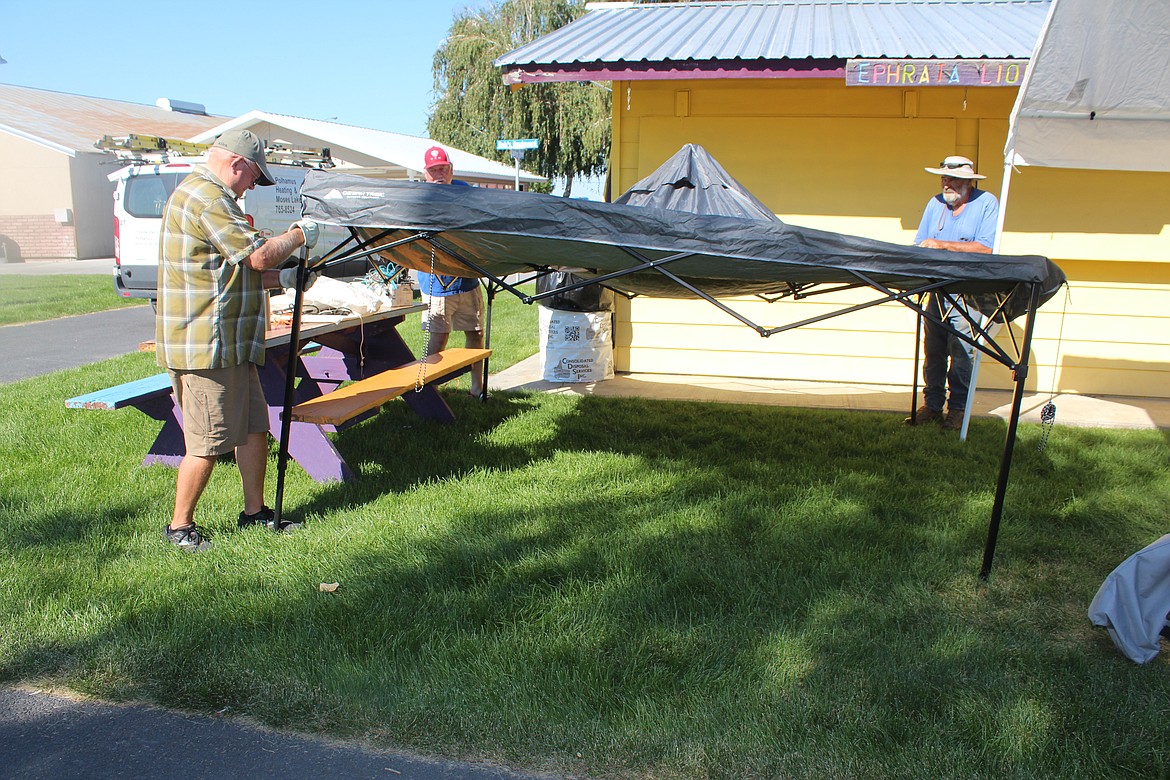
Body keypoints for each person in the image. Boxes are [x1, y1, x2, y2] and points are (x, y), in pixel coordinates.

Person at [156, 128, 320, 551]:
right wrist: (300, 234)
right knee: (208, 440)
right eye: (252, 178)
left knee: (251, 429)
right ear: (237, 164)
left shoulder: (211, 197)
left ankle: (254, 513)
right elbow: (258, 255)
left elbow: (238, 270)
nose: (250, 188)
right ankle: (179, 528)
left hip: (230, 342)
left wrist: (286, 277)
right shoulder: (208, 198)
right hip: (206, 345)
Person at [907, 155, 999, 431]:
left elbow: (987, 247)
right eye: (944, 178)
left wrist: (943, 245)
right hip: (936, 287)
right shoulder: (934, 204)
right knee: (933, 349)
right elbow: (919, 243)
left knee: (962, 351)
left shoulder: (986, 203)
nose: (947, 184)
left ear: (968, 182)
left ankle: (957, 410)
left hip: (969, 290)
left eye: (953, 179)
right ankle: (932, 406)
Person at [415, 145, 486, 397]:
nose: (439, 174)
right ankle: (428, 392)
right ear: (425, 173)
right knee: (438, 338)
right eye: (433, 170)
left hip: (467, 279)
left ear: (451, 169)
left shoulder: (465, 192)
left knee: (476, 333)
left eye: (443, 168)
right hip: (437, 282)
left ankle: (477, 388)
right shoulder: (418, 198)